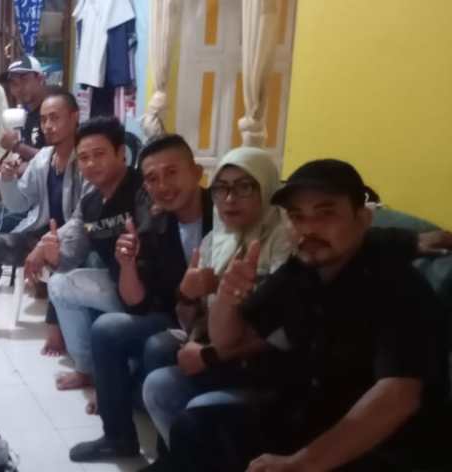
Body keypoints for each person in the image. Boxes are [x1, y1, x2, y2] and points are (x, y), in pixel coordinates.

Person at [169, 159, 449, 472]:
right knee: (194, 429)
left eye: (325, 213)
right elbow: (229, 340)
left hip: (382, 448)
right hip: (306, 419)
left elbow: (397, 397)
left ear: (362, 219)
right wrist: (227, 297)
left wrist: (302, 463)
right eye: (296, 216)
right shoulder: (301, 271)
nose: (308, 228)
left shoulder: (398, 285)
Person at [138, 147, 292, 469]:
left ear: (267, 187)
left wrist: (209, 354)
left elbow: (282, 332)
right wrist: (188, 294)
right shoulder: (215, 240)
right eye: (221, 188)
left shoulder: (286, 240)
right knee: (158, 383)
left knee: (198, 408)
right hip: (224, 356)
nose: (230, 199)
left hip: (268, 371)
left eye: (244, 187)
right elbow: (188, 318)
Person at [68, 134, 213, 461]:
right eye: (153, 178)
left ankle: (168, 454)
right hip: (175, 317)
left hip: (216, 323)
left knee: (158, 347)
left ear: (196, 172)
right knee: (106, 329)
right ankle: (117, 437)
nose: (163, 185)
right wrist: (127, 264)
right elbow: (137, 303)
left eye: (172, 172)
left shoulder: (221, 214)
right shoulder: (154, 224)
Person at [0, 91, 85, 338]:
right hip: (41, 237)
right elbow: (18, 205)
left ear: (75, 117)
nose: (47, 126)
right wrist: (7, 178)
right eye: (43, 119)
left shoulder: (85, 161)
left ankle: (62, 328)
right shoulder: (44, 159)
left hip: (74, 243)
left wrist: (45, 246)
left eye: (55, 118)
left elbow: (81, 220)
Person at [35, 116, 144, 387]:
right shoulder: (90, 202)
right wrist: (54, 256)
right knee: (59, 283)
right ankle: (85, 370)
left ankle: (112, 377)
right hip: (118, 285)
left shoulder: (143, 189)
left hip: (147, 290)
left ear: (121, 153)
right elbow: (71, 253)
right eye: (84, 158)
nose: (91, 164)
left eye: (99, 154)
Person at [0, 55, 50, 235]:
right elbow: (31, 158)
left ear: (41, 79)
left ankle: (21, 244)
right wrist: (8, 167)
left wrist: (17, 147)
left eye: (24, 80)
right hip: (29, 188)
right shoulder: (26, 116)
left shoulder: (50, 112)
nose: (18, 88)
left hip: (45, 197)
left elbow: (54, 157)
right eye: (14, 83)